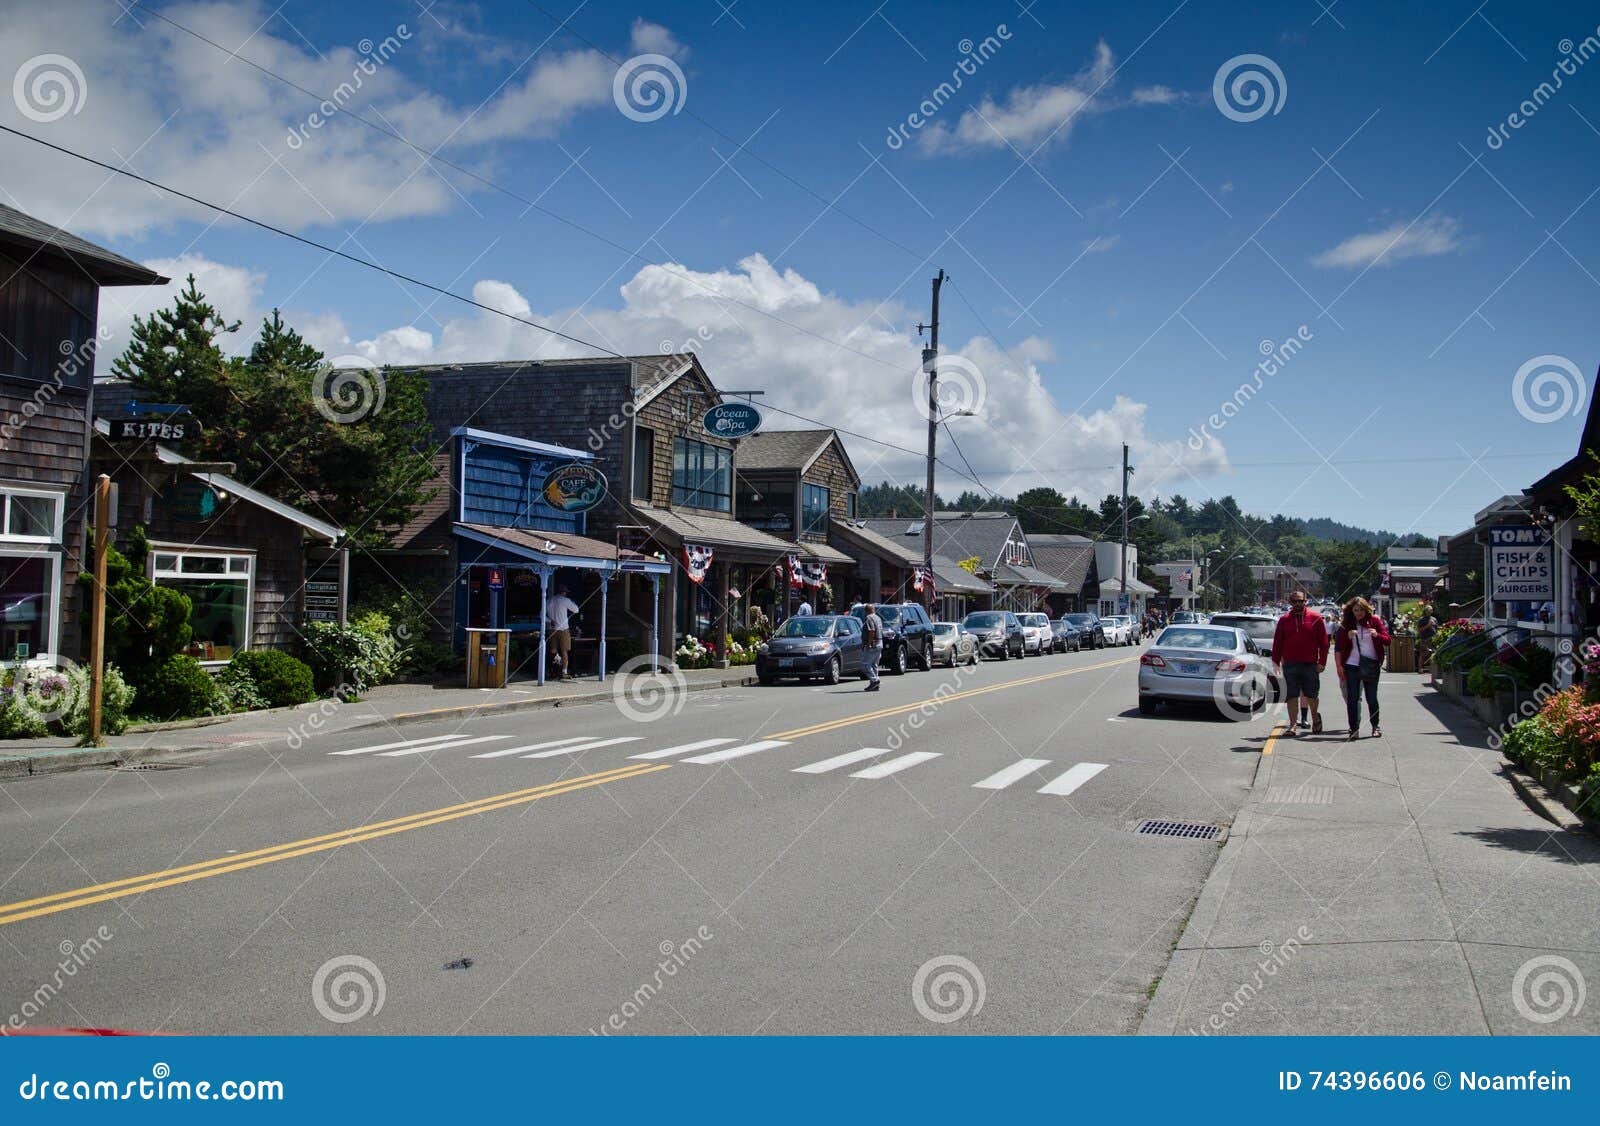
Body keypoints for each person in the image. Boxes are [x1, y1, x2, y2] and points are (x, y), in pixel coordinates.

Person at [1271, 589, 1329, 736]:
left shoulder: (1315, 618)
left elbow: (1324, 643)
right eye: (1295, 601)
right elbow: (1278, 642)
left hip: (1310, 663)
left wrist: (1322, 661)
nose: (1298, 604)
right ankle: (1292, 725)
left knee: (1311, 695)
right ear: (1290, 602)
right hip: (1290, 663)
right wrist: (1275, 661)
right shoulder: (1284, 620)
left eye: (1301, 601)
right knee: (1291, 696)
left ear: (1306, 601)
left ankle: (1315, 718)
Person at [1335, 597, 1391, 739]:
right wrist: (1347, 636)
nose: (1358, 613)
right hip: (1352, 665)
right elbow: (1339, 646)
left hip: (1371, 664)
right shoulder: (1347, 624)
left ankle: (1375, 726)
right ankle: (1353, 728)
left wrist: (1376, 635)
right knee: (1352, 697)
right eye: (1355, 610)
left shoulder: (1375, 621)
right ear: (1351, 611)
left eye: (1361, 610)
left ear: (1366, 609)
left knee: (1371, 697)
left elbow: (1388, 640)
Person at [545, 583, 580, 680]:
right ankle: (564, 671)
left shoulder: (550, 600)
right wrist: (572, 602)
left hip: (552, 629)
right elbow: (576, 610)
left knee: (553, 651)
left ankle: (553, 670)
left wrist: (549, 620)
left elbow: (541, 614)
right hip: (563, 629)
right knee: (564, 651)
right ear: (564, 593)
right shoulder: (565, 600)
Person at [861, 603, 883, 692]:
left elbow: (872, 631)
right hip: (880, 643)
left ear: (866, 611)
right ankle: (874, 685)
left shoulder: (869, 618)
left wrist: (869, 644)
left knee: (865, 664)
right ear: (873, 609)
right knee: (874, 664)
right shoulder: (878, 618)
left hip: (873, 643)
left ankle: (875, 680)